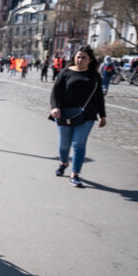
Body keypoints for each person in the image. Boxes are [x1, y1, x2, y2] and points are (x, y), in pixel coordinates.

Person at [49, 46, 107, 187]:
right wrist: (55, 107)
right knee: (64, 145)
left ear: (90, 60)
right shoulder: (65, 72)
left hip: (86, 115)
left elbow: (99, 96)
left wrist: (102, 115)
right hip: (64, 113)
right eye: (78, 57)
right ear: (74, 58)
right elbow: (55, 92)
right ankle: (64, 162)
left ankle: (75, 174)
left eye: (84, 57)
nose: (80, 60)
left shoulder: (94, 76)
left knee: (78, 144)